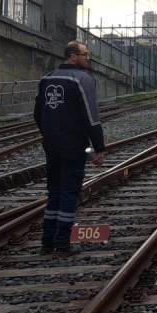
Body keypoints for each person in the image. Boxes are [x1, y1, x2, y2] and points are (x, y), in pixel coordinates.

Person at [34, 40, 106, 256]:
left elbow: (38, 113)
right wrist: (99, 147)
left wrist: (48, 133)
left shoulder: (47, 79)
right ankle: (63, 242)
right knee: (69, 192)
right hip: (74, 146)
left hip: (52, 145)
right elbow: (91, 117)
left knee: (54, 191)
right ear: (73, 56)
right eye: (85, 55)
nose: (88, 59)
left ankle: (47, 242)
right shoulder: (81, 80)